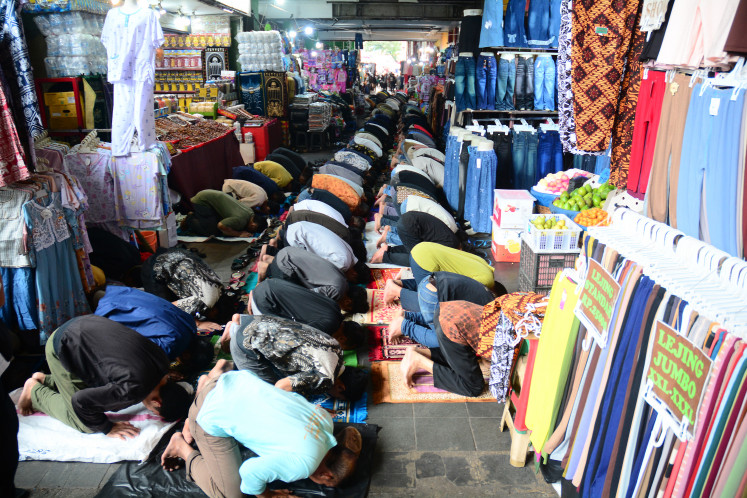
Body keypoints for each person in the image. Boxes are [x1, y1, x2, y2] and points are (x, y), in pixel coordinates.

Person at [160, 362, 362, 498]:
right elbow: (249, 472)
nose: (321, 485)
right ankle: (182, 447)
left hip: (233, 380)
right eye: (325, 485)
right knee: (231, 493)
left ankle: (207, 383)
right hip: (209, 412)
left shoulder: (325, 420)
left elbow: (291, 398)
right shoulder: (304, 466)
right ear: (326, 475)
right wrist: (267, 495)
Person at [17, 315, 191, 436]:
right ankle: (35, 391)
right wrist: (106, 427)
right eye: (153, 411)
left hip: (84, 325)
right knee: (84, 422)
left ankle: (45, 379)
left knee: (101, 389)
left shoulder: (162, 363)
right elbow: (81, 401)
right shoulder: (134, 389)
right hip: (62, 347)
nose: (148, 409)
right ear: (156, 402)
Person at [224, 314, 367, 400]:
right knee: (270, 394)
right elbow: (280, 387)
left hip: (258, 321)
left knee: (288, 370)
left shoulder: (337, 349)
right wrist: (310, 411)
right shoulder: (325, 380)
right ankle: (233, 338)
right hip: (247, 344)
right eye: (339, 397)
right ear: (341, 387)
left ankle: (235, 328)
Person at [388, 272, 499, 348]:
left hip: (429, 282)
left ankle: (408, 316)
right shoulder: (490, 312)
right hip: (432, 296)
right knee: (444, 341)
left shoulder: (489, 297)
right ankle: (404, 326)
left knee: (443, 320)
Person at [248, 279, 365, 349]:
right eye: (343, 347)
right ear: (342, 338)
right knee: (274, 342)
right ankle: (236, 325)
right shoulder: (327, 327)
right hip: (265, 300)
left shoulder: (335, 308)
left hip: (271, 283)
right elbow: (300, 341)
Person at [93, 285, 197, 360]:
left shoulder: (191, 325)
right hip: (112, 308)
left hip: (121, 294)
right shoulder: (171, 347)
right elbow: (140, 352)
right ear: (187, 356)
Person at [257, 247, 369, 313]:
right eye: (345, 309)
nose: (342, 309)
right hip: (286, 263)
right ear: (348, 302)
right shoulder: (337, 291)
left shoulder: (343, 281)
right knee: (291, 297)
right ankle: (266, 269)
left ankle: (270, 262)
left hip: (289, 252)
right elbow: (305, 296)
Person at [141, 247, 236, 325]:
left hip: (175, 254)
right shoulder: (204, 303)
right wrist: (198, 323)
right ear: (215, 312)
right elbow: (167, 307)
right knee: (162, 312)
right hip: (156, 267)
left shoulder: (219, 287)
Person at [184, 189, 268, 238]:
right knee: (212, 233)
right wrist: (239, 234)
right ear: (253, 225)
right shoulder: (240, 220)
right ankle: (190, 218)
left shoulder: (250, 213)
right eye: (253, 230)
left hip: (208, 196)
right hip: (202, 201)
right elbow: (221, 225)